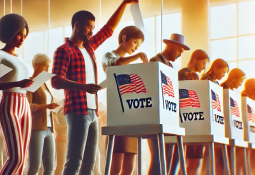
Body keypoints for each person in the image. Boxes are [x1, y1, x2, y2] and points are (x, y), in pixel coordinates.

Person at [51, 1, 138, 174]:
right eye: (89, 27)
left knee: (90, 164)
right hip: (77, 110)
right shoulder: (64, 50)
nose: (92, 31)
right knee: (74, 161)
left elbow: (108, 29)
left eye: (93, 28)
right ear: (77, 25)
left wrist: (125, 3)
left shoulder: (89, 47)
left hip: (93, 111)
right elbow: (56, 81)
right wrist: (83, 87)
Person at [0, 14, 34, 175]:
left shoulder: (20, 58)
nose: (22, 38)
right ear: (9, 33)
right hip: (9, 104)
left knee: (23, 159)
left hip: (24, 105)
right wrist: (18, 84)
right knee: (17, 158)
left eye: (24, 34)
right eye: (19, 34)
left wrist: (27, 84)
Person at [102, 26, 147, 175]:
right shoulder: (108, 56)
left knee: (129, 166)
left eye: (138, 46)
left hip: (132, 116)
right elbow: (116, 64)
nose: (136, 48)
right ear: (124, 38)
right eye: (135, 42)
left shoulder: (132, 67)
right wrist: (137, 56)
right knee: (115, 165)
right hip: (117, 116)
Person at [149, 33, 190, 175]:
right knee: (159, 159)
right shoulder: (155, 61)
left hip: (168, 115)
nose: (180, 54)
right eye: (179, 50)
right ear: (170, 45)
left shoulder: (171, 66)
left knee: (168, 158)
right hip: (157, 116)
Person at [177, 49, 209, 174]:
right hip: (187, 121)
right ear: (195, 59)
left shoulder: (195, 77)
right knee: (189, 161)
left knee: (194, 161)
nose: (203, 67)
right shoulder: (184, 73)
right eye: (203, 63)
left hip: (194, 120)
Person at [27, 53, 59, 175]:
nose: (47, 69)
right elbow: (27, 106)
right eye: (45, 66)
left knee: (50, 167)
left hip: (50, 129)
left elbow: (48, 105)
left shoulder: (45, 84)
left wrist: (55, 108)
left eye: (48, 66)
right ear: (36, 65)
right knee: (35, 167)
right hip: (37, 129)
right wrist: (46, 106)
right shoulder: (30, 83)